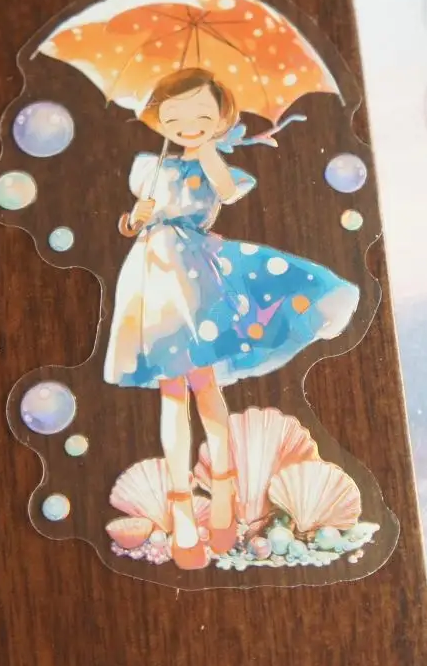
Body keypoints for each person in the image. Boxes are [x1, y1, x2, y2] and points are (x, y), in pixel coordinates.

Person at [104, 68, 360, 569]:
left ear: (222, 118)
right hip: (151, 282)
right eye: (175, 116)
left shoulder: (209, 164)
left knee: (204, 385)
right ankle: (181, 511)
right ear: (157, 118)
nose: (188, 125)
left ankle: (223, 497)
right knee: (171, 393)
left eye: (202, 115)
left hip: (196, 277)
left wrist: (206, 153)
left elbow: (226, 190)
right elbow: (130, 224)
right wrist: (138, 217)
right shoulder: (149, 168)